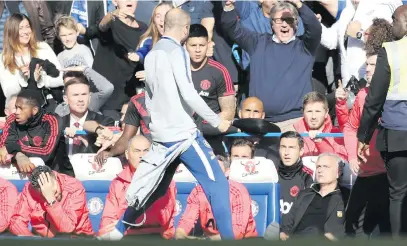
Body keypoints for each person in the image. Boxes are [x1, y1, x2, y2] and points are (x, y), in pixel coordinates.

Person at [102, 8, 233, 241]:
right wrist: (218, 120)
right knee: (219, 186)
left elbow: (149, 96)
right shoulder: (177, 51)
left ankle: (117, 232)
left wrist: (155, 127)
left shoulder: (152, 53)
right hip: (183, 136)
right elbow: (190, 94)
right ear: (185, 30)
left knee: (157, 187)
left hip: (162, 135)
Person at [222, 0, 321, 132]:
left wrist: (299, 5)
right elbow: (232, 28)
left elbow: (315, 28)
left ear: (296, 24)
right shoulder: (257, 43)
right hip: (260, 123)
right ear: (272, 25)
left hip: (294, 122)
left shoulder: (305, 47)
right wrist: (229, 7)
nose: (285, 24)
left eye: (289, 20)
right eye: (279, 20)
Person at [335, 18, 393, 237]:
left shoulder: (395, 98)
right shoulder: (361, 96)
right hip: (366, 171)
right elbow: (350, 128)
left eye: (372, 66)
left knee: (389, 229)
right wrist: (351, 156)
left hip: (389, 174)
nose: (366, 70)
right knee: (351, 225)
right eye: (366, 65)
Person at [357, 4, 407, 238]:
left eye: (394, 20)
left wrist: (363, 136)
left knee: (397, 194)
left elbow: (374, 98)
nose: (392, 25)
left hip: (398, 134)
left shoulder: (391, 50)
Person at [98, 135, 176, 240]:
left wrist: (125, 222)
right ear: (127, 154)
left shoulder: (166, 181)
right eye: (137, 151)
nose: (142, 155)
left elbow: (162, 219)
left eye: (146, 151)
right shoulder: (118, 183)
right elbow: (107, 222)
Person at [85, 0, 147, 121]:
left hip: (130, 98)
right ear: (114, 1)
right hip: (107, 100)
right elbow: (102, 26)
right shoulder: (111, 23)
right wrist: (112, 15)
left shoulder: (144, 29)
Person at [320, 0, 402, 87]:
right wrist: (313, 22)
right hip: (349, 83)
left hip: (369, 81)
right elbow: (331, 41)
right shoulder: (348, 10)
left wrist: (359, 34)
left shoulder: (383, 6)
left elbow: (387, 40)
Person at [175, 156, 257, 240]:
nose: (212, 175)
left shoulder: (238, 192)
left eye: (217, 172)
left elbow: (236, 233)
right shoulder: (198, 192)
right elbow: (186, 221)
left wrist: (207, 241)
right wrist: (180, 235)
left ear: (227, 172)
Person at [186, 23, 236, 156]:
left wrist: (202, 126)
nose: (197, 50)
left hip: (211, 138)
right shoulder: (175, 70)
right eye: (193, 45)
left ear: (208, 45)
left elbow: (228, 113)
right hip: (181, 138)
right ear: (185, 45)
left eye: (201, 45)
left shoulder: (219, 71)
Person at [0, 89, 74, 176]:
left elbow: (46, 152)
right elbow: (3, 147)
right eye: (16, 107)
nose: (16, 112)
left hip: (56, 175)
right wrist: (18, 155)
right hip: (23, 176)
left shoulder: (51, 121)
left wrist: (13, 148)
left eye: (21, 108)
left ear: (34, 110)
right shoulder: (12, 119)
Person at [8, 165, 94, 237]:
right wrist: (31, 240)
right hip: (42, 239)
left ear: (55, 178)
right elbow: (16, 222)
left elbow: (68, 228)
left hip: (77, 237)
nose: (53, 195)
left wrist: (51, 200)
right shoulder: (29, 189)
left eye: (55, 191)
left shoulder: (74, 187)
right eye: (44, 195)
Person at [280, 153, 349, 241]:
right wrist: (283, 233)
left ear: (338, 172)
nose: (320, 170)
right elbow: (287, 224)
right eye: (318, 167)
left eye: (326, 167)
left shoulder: (347, 198)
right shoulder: (304, 195)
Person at [0, 13, 63, 103]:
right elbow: (9, 93)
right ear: (11, 31)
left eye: (27, 26)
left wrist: (41, 79)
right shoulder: (4, 58)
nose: (26, 31)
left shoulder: (43, 48)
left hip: (49, 103)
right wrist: (21, 77)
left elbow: (61, 77)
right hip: (22, 107)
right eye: (20, 28)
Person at [61, 78, 115, 155]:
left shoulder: (105, 122)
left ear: (89, 97)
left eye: (84, 94)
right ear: (66, 99)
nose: (80, 99)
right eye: (75, 95)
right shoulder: (57, 123)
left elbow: (104, 155)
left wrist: (84, 140)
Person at [293, 92, 347, 160]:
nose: (313, 116)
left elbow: (341, 163)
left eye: (318, 111)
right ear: (303, 113)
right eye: (309, 111)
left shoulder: (336, 136)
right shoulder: (295, 136)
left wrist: (320, 142)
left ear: (326, 112)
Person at [278, 131, 313, 216]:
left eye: (291, 147)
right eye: (283, 147)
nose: (286, 152)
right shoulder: (271, 174)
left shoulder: (307, 176)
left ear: (301, 151)